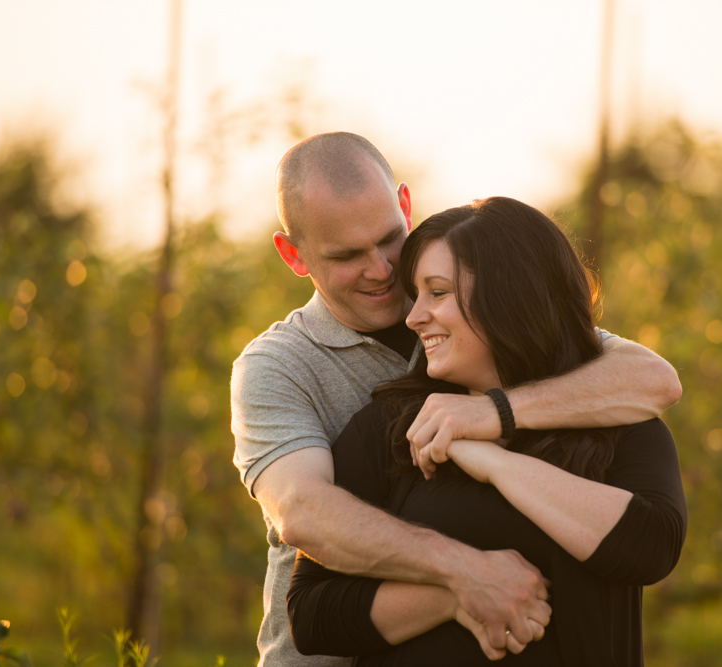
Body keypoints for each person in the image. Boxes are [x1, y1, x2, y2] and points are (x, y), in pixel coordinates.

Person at [231, 132, 682, 666]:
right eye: (347, 255)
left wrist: (492, 419)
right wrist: (465, 577)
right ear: (293, 254)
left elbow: (652, 381)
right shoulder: (281, 368)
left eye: (388, 240)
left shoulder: (476, 308)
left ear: (405, 207)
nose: (380, 270)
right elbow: (305, 513)